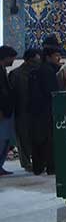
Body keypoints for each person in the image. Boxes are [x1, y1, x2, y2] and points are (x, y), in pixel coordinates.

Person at [29, 46, 62, 175]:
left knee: (39, 140)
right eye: (56, 55)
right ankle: (51, 167)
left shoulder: (37, 70)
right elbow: (52, 92)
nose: (59, 58)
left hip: (37, 112)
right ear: (48, 57)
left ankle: (38, 167)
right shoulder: (48, 71)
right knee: (49, 140)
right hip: (46, 111)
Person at [9, 49, 40, 172]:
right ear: (27, 60)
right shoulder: (15, 74)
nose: (36, 63)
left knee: (35, 137)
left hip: (35, 112)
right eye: (34, 61)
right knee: (23, 139)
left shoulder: (37, 73)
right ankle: (26, 163)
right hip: (21, 112)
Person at [0, 46, 16, 176]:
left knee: (5, 140)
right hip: (2, 111)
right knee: (2, 139)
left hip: (6, 110)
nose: (13, 61)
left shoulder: (3, 70)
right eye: (12, 58)